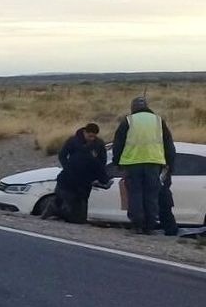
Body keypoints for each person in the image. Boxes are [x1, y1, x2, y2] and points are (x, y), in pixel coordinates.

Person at [111, 97, 176, 235]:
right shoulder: (159, 121)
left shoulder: (128, 121)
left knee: (135, 194)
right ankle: (150, 226)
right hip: (154, 163)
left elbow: (118, 143)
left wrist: (116, 162)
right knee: (151, 195)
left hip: (133, 163)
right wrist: (170, 163)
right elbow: (168, 144)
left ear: (133, 107)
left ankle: (137, 225)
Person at [46, 123, 109, 224]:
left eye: (94, 136)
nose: (91, 139)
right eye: (90, 136)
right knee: (66, 198)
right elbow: (62, 155)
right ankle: (55, 211)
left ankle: (77, 217)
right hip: (70, 176)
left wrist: (96, 175)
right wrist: (68, 168)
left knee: (82, 200)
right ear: (85, 132)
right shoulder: (73, 141)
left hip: (86, 178)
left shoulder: (99, 144)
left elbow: (102, 161)